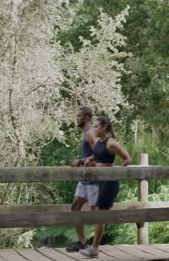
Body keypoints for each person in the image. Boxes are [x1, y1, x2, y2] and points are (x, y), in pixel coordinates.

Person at [79, 117, 132, 258]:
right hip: (99, 182)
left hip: (109, 183)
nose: (93, 129)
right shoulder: (98, 143)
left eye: (96, 127)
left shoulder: (111, 143)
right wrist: (89, 160)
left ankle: (94, 249)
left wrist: (115, 172)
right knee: (105, 211)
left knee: (99, 213)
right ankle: (133, 214)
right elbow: (97, 156)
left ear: (104, 127)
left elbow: (127, 158)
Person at [66, 107, 99, 252]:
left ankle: (95, 248)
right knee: (75, 207)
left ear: (86, 118)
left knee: (97, 214)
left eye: (78, 116)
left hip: (93, 179)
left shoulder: (91, 133)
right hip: (84, 178)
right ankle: (82, 243)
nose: (76, 118)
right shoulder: (85, 133)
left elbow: (100, 153)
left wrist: (79, 162)